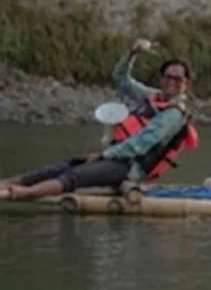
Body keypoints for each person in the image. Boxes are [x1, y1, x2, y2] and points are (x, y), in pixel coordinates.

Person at [0, 39, 199, 201]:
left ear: (186, 83)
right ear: (162, 78)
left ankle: (23, 194)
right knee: (59, 166)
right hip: (116, 156)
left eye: (178, 79)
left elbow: (140, 144)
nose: (172, 82)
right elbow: (121, 79)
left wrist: (104, 155)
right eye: (168, 77)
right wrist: (132, 53)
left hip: (130, 168)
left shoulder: (174, 115)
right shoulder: (152, 96)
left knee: (73, 176)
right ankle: (7, 183)